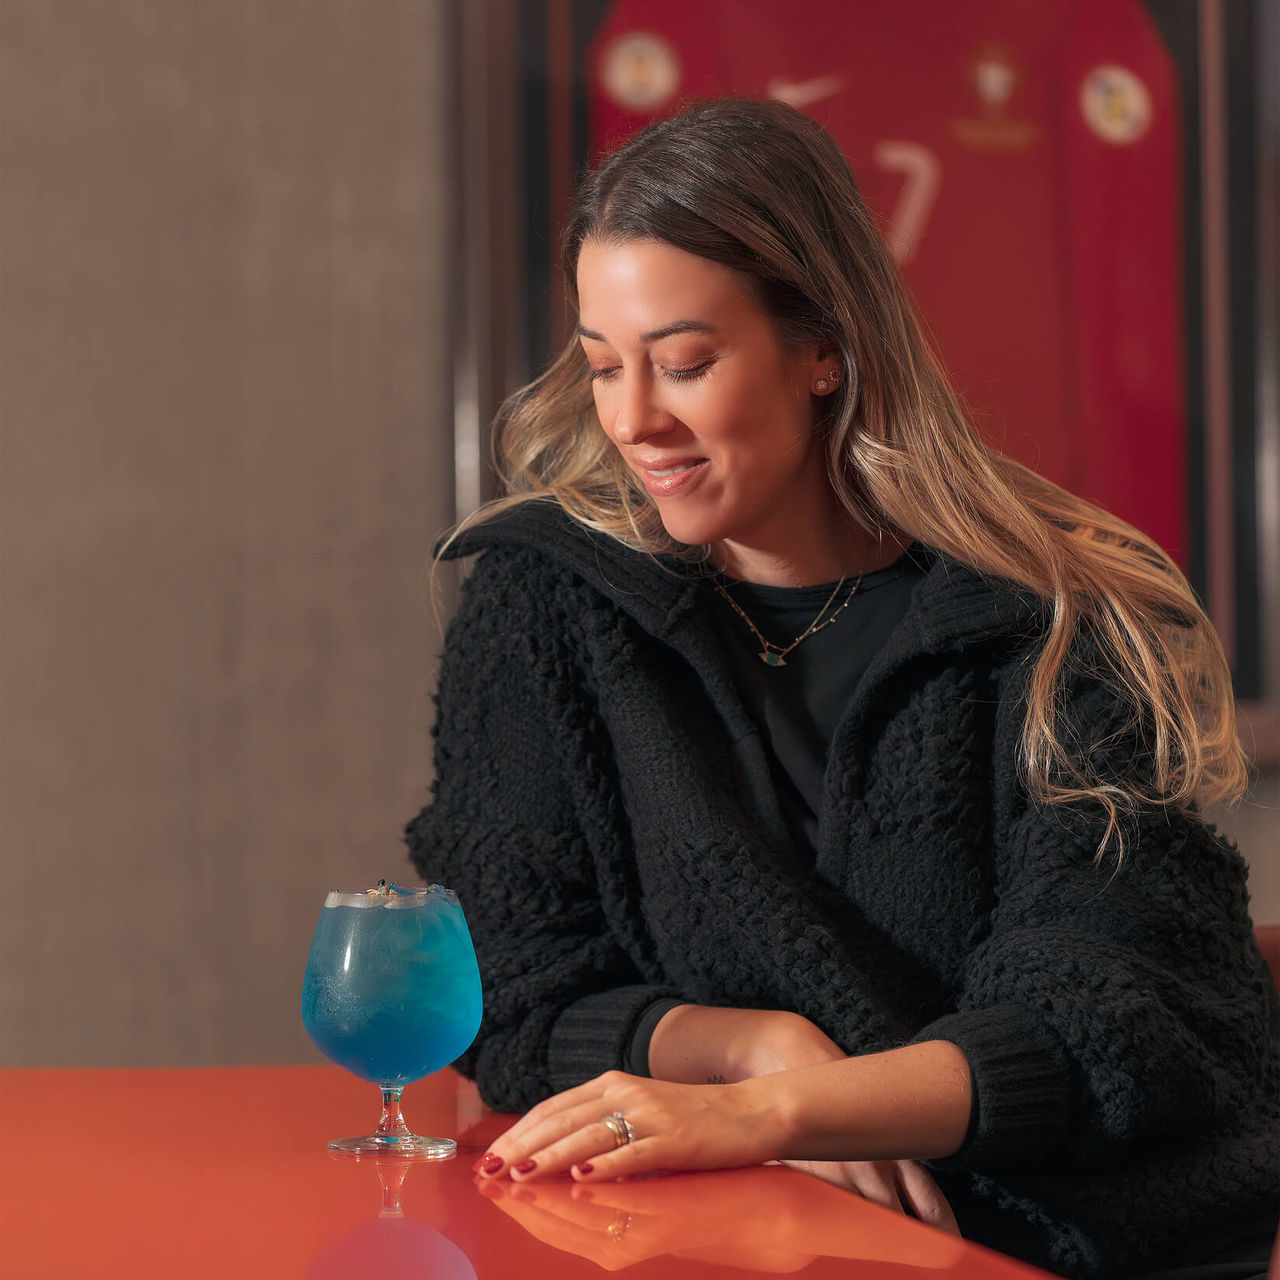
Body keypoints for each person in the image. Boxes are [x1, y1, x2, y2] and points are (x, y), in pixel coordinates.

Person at [405, 99, 1278, 1280]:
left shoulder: (1066, 619)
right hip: (718, 1247)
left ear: (824, 349)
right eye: (602, 365)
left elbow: (1108, 1012)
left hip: (1075, 1240)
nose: (631, 419)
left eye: (684, 362)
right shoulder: (545, 605)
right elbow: (511, 992)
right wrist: (757, 1050)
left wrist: (772, 1116)